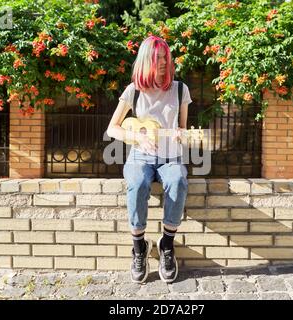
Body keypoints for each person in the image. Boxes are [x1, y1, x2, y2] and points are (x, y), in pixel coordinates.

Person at [106, 35, 192, 283]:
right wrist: (136, 137)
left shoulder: (179, 90)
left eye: (166, 57)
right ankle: (139, 248)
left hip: (170, 157)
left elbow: (183, 129)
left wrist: (181, 133)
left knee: (178, 181)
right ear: (146, 60)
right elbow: (113, 128)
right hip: (140, 157)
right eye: (158, 58)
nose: (164, 62)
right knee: (137, 184)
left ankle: (166, 244)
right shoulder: (133, 90)